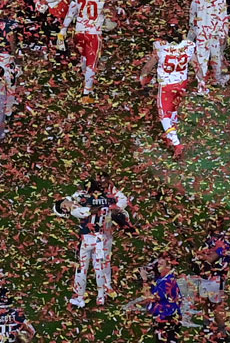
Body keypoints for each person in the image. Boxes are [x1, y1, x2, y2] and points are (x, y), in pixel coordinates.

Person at [60, 176, 128, 308]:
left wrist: (73, 205)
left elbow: (78, 210)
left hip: (88, 238)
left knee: (82, 267)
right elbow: (120, 205)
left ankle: (80, 297)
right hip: (101, 237)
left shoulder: (82, 199)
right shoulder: (108, 198)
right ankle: (101, 296)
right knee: (100, 266)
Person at [143, 18, 195, 158]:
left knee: (163, 114)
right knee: (173, 107)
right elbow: (195, 64)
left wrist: (142, 76)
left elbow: (149, 66)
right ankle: (174, 124)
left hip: (166, 85)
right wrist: (201, 79)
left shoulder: (161, 47)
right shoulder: (188, 45)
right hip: (182, 82)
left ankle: (176, 143)